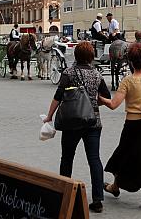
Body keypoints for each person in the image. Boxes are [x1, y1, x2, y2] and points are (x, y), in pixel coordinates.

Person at [99, 42, 141, 211]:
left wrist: (99, 98)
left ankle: (115, 186)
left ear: (130, 61)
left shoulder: (128, 81)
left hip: (132, 125)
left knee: (123, 155)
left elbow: (114, 104)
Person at [43, 41, 110, 213]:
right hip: (93, 122)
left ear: (76, 55)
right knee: (94, 159)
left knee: (67, 158)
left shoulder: (69, 72)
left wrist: (49, 116)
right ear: (91, 56)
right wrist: (92, 103)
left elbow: (58, 96)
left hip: (71, 122)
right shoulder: (97, 74)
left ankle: (63, 193)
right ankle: (97, 200)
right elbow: (106, 96)